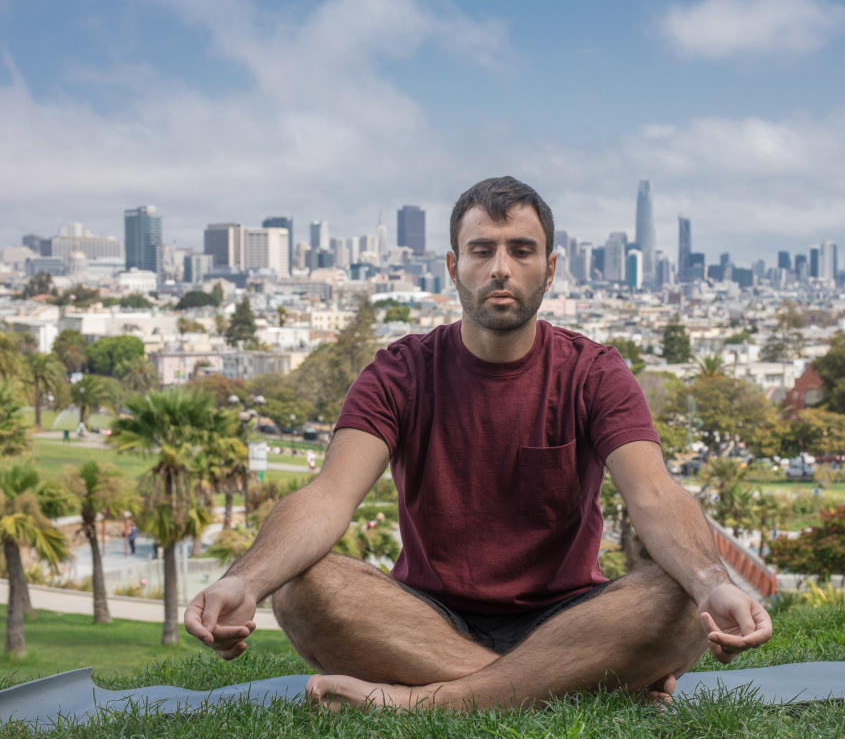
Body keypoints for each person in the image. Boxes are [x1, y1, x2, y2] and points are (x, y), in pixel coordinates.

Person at [185, 176, 772, 711]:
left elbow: (655, 497)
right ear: (452, 265)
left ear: (550, 267)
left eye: (521, 250)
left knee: (679, 597)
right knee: (302, 587)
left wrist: (714, 585)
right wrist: (247, 580)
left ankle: (421, 703)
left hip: (568, 616)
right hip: (423, 619)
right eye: (481, 250)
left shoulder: (594, 373)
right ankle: (580, 688)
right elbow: (328, 498)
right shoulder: (401, 372)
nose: (500, 268)